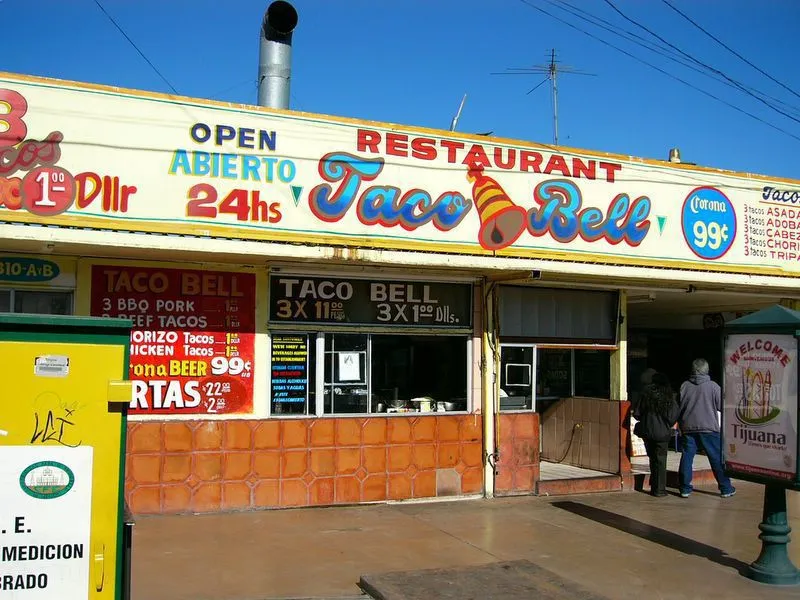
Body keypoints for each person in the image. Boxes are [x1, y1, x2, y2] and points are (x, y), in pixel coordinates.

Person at [677, 358, 736, 498]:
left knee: (687, 457)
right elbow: (721, 406)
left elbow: (680, 406)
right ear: (707, 370)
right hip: (709, 427)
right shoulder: (713, 386)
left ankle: (685, 488)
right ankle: (725, 488)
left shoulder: (684, 386)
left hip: (688, 427)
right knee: (716, 458)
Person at [634, 372, 679, 497]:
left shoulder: (645, 393)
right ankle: (659, 489)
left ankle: (654, 486)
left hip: (647, 431)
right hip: (662, 433)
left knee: (652, 458)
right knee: (660, 460)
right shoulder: (668, 396)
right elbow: (672, 416)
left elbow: (637, 414)